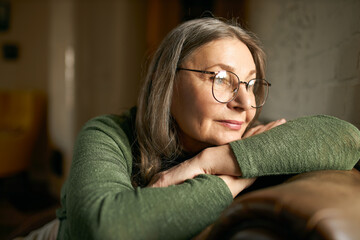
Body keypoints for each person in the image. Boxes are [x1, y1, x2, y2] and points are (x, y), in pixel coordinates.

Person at [55, 17, 360, 240]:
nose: (245, 103)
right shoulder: (108, 134)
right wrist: (232, 181)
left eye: (251, 84)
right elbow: (105, 228)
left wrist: (212, 162)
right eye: (221, 79)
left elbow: (348, 139)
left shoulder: (253, 137)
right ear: (168, 83)